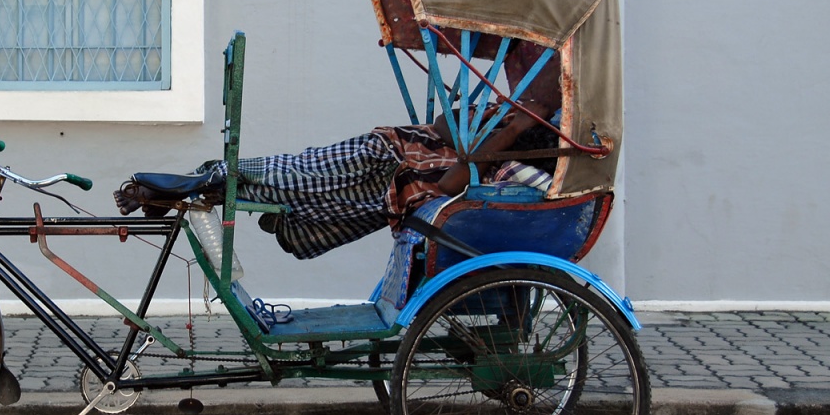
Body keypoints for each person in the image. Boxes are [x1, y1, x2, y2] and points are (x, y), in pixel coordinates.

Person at [118, 100, 560, 260]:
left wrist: (505, 138)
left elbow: (449, 186)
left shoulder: (506, 165)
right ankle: (199, 180)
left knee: (295, 192)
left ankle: (192, 186)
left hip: (393, 190)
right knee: (296, 170)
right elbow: (446, 123)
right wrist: (496, 130)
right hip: (386, 153)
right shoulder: (502, 120)